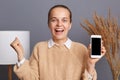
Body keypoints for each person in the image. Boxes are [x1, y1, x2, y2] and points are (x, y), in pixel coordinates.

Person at [10, 5, 106, 80]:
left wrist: (90, 63)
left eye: (64, 20)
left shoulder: (81, 49)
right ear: (48, 24)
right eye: (54, 20)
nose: (59, 24)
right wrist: (21, 56)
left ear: (70, 25)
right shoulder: (39, 48)